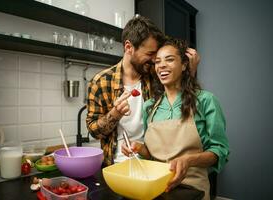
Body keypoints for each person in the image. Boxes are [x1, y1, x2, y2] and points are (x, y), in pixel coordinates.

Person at [121, 37, 229, 200]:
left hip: (193, 190)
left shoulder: (206, 101)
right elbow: (151, 155)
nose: (161, 65)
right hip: (156, 189)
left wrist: (189, 160)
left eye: (169, 60)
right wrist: (139, 148)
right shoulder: (149, 106)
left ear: (184, 65)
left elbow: (219, 151)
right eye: (157, 62)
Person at [86, 15, 200, 166]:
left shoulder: (156, 76)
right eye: (150, 54)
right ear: (129, 47)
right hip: (117, 165)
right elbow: (94, 131)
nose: (155, 60)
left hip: (155, 164)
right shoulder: (100, 82)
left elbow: (182, 102)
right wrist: (115, 114)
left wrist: (189, 72)